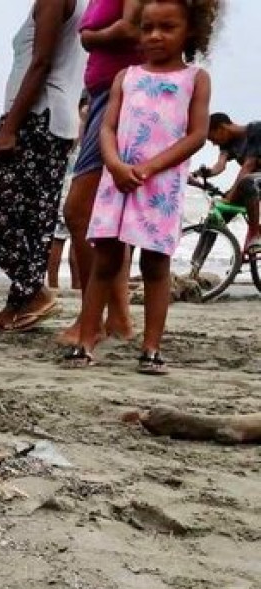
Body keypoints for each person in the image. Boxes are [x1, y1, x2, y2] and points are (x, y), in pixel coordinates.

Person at [65, 0, 214, 375]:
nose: (155, 36)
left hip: (160, 186)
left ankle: (151, 348)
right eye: (147, 28)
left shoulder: (194, 79)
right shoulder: (126, 77)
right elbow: (108, 127)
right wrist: (114, 163)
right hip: (118, 180)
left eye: (167, 27)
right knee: (106, 260)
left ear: (191, 31)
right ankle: (85, 341)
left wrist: (150, 167)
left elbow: (196, 135)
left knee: (155, 264)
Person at [0, 0, 85, 332]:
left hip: (36, 117)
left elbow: (41, 63)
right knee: (33, 220)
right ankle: (18, 303)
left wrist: (10, 127)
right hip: (55, 121)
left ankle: (34, 292)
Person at [58, 0, 143, 346]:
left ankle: (89, 319)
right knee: (109, 219)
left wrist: (91, 36)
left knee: (78, 211)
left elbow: (131, 27)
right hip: (102, 95)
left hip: (120, 95)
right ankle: (118, 317)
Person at [197, 113, 261, 252]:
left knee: (247, 182)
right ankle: (195, 267)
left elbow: (249, 165)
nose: (213, 143)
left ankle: (255, 236)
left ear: (221, 128)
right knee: (217, 216)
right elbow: (220, 166)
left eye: (212, 138)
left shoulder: (256, 130)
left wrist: (230, 196)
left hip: (254, 181)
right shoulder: (226, 144)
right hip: (251, 184)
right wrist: (205, 173)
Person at [48, 95, 90, 291]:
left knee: (69, 238)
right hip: (68, 187)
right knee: (63, 238)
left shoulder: (78, 132)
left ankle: (72, 283)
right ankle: (58, 282)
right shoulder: (78, 132)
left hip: (71, 187)